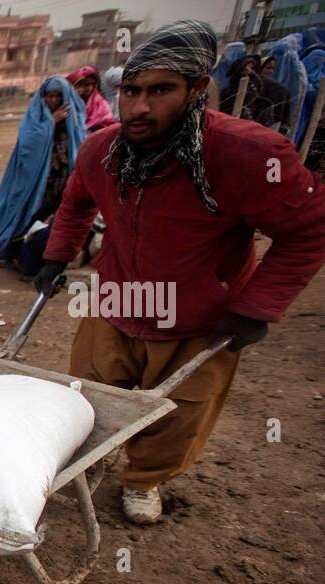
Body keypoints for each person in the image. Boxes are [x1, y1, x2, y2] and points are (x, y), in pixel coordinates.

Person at [34, 19, 325, 525]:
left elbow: (309, 229)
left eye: (161, 90)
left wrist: (256, 306)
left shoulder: (248, 156)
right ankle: (92, 461)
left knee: (178, 411)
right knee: (90, 396)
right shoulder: (101, 150)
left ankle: (144, 480)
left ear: (195, 91)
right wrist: (56, 255)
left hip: (199, 316)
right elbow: (76, 203)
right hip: (118, 302)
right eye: (131, 90)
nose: (140, 107)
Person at [0, 76, 87, 274]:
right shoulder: (36, 116)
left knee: (51, 223)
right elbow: (28, 144)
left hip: (60, 183)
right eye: (49, 96)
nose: (53, 100)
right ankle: (17, 254)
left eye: (57, 96)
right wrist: (51, 123)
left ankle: (43, 260)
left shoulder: (74, 119)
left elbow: (81, 145)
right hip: (35, 182)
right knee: (27, 215)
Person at [67, 65, 116, 132]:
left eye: (90, 84)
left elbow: (108, 125)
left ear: (95, 85)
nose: (87, 88)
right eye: (83, 84)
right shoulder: (72, 100)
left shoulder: (101, 104)